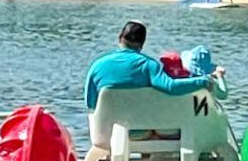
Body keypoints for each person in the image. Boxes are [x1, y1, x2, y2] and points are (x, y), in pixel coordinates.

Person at [85, 21, 215, 111]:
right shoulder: (149, 65)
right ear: (142, 44)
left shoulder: (97, 65)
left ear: (120, 37)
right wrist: (203, 81)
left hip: (106, 132)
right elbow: (171, 87)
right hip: (140, 131)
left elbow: (90, 103)